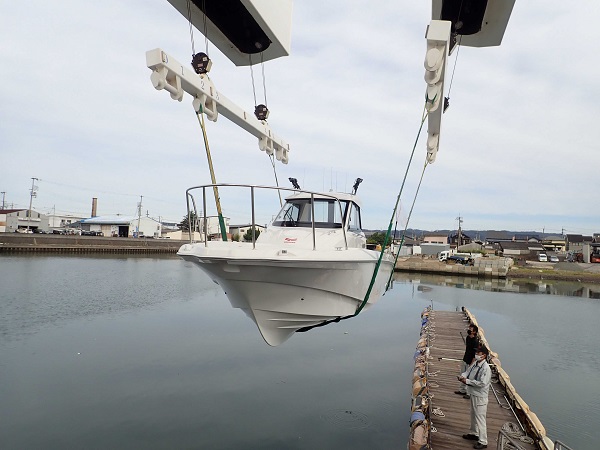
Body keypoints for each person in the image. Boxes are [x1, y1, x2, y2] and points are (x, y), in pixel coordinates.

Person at [459, 346, 491, 449]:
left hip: (480, 396)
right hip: (473, 393)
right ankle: (474, 433)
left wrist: (467, 381)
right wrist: (462, 376)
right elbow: (467, 372)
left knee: (480, 418)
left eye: (479, 353)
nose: (476, 354)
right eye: (476, 352)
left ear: (484, 355)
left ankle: (483, 441)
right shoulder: (475, 364)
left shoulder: (486, 368)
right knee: (473, 414)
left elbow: (482, 383)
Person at [455, 324, 479, 398]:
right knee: (462, 374)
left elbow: (474, 354)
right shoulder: (468, 338)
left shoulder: (476, 341)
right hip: (465, 358)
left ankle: (469, 393)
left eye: (471, 329)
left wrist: (472, 364)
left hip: (471, 361)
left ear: (474, 332)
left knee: (469, 377)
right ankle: (462, 390)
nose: (469, 330)